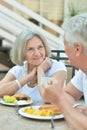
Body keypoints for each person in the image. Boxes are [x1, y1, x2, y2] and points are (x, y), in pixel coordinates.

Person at [42, 13, 87, 130]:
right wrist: (76, 107)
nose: (64, 50)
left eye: (65, 44)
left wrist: (59, 99)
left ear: (77, 48)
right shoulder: (84, 72)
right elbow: (68, 93)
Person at [0, 29, 67, 103]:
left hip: (49, 113)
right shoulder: (18, 69)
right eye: (30, 49)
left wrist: (40, 70)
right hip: (19, 113)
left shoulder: (57, 68)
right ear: (22, 53)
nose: (37, 53)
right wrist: (28, 77)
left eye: (40, 47)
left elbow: (48, 98)